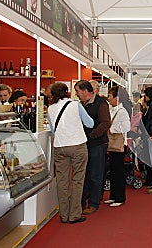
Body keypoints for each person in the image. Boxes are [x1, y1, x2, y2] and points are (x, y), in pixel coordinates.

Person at [47, 82, 94, 224]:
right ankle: (74, 214)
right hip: (77, 145)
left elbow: (53, 129)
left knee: (62, 182)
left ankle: (63, 214)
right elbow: (90, 123)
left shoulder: (50, 108)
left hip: (60, 146)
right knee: (78, 180)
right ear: (67, 92)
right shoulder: (75, 105)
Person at [74, 80, 111, 215]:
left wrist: (91, 136)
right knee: (85, 174)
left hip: (97, 144)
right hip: (86, 143)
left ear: (85, 91)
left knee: (95, 174)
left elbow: (106, 123)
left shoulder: (101, 103)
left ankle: (94, 203)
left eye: (77, 91)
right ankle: (82, 202)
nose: (76, 94)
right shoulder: (81, 104)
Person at [104, 86, 131, 207]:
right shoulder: (113, 109)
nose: (109, 98)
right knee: (113, 171)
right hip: (113, 145)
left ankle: (120, 197)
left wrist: (111, 129)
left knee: (118, 172)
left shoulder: (122, 111)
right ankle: (113, 196)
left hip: (120, 145)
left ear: (117, 98)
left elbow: (126, 127)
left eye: (110, 96)